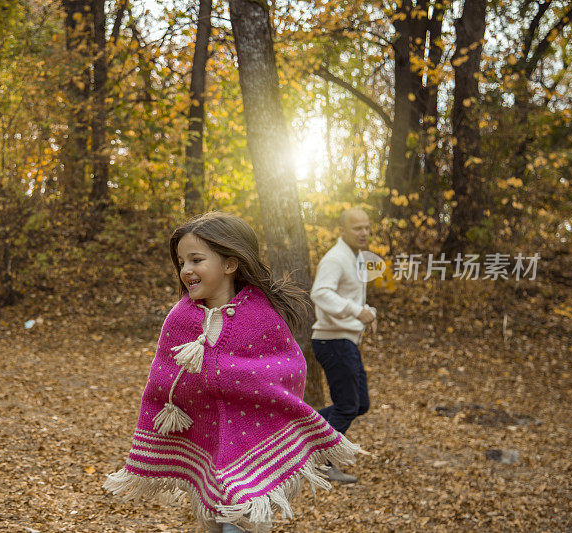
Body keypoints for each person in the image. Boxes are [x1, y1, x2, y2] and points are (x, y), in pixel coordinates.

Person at [104, 212, 361, 532]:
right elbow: (163, 381)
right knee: (212, 522)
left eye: (196, 260)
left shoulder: (261, 317)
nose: (186, 270)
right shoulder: (180, 319)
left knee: (244, 524)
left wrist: (225, 372)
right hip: (205, 440)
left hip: (253, 442)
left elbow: (290, 370)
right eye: (182, 262)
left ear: (230, 263)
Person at [310, 207, 376, 484]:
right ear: (342, 230)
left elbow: (349, 298)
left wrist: (366, 312)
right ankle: (321, 461)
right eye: (357, 228)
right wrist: (354, 310)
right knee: (348, 405)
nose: (363, 233)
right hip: (333, 340)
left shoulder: (357, 258)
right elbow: (320, 293)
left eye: (366, 227)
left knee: (359, 404)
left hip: (344, 339)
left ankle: (300, 425)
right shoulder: (336, 258)